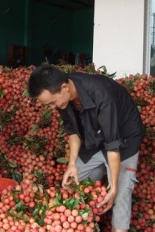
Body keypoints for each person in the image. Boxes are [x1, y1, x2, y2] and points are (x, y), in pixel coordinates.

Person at [28, 65, 145, 232]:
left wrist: (114, 185)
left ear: (64, 88)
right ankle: (84, 225)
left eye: (53, 102)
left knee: (119, 193)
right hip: (94, 135)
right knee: (73, 186)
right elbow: (73, 133)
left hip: (123, 137)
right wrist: (72, 164)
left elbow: (113, 145)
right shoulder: (63, 99)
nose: (52, 107)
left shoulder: (102, 96)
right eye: (49, 104)